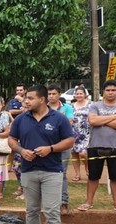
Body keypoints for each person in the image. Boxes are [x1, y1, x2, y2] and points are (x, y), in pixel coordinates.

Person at [8, 85, 74, 224]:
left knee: (52, 211)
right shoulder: (21, 119)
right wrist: (21, 151)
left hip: (52, 171)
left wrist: (50, 149)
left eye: (30, 98)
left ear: (42, 99)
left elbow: (69, 140)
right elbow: (11, 139)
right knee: (32, 210)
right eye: (26, 98)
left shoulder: (59, 118)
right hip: (28, 171)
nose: (26, 101)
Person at [77, 80, 116, 216]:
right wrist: (113, 117)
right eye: (108, 90)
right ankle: (88, 202)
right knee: (93, 176)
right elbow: (93, 121)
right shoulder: (95, 105)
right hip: (95, 145)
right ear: (103, 92)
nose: (110, 93)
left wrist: (102, 120)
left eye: (113, 90)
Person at [47, 85, 74, 215]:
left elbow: (69, 123)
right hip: (46, 146)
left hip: (63, 144)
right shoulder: (43, 108)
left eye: (54, 93)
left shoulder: (67, 107)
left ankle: (64, 202)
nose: (51, 96)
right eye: (49, 94)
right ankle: (49, 203)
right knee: (46, 174)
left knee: (61, 173)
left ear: (59, 94)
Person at [71, 87, 91, 182]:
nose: (79, 95)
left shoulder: (90, 105)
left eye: (81, 93)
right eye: (77, 93)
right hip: (74, 133)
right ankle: (77, 174)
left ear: (85, 94)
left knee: (83, 153)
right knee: (74, 153)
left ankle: (87, 168)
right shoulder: (71, 106)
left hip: (86, 133)